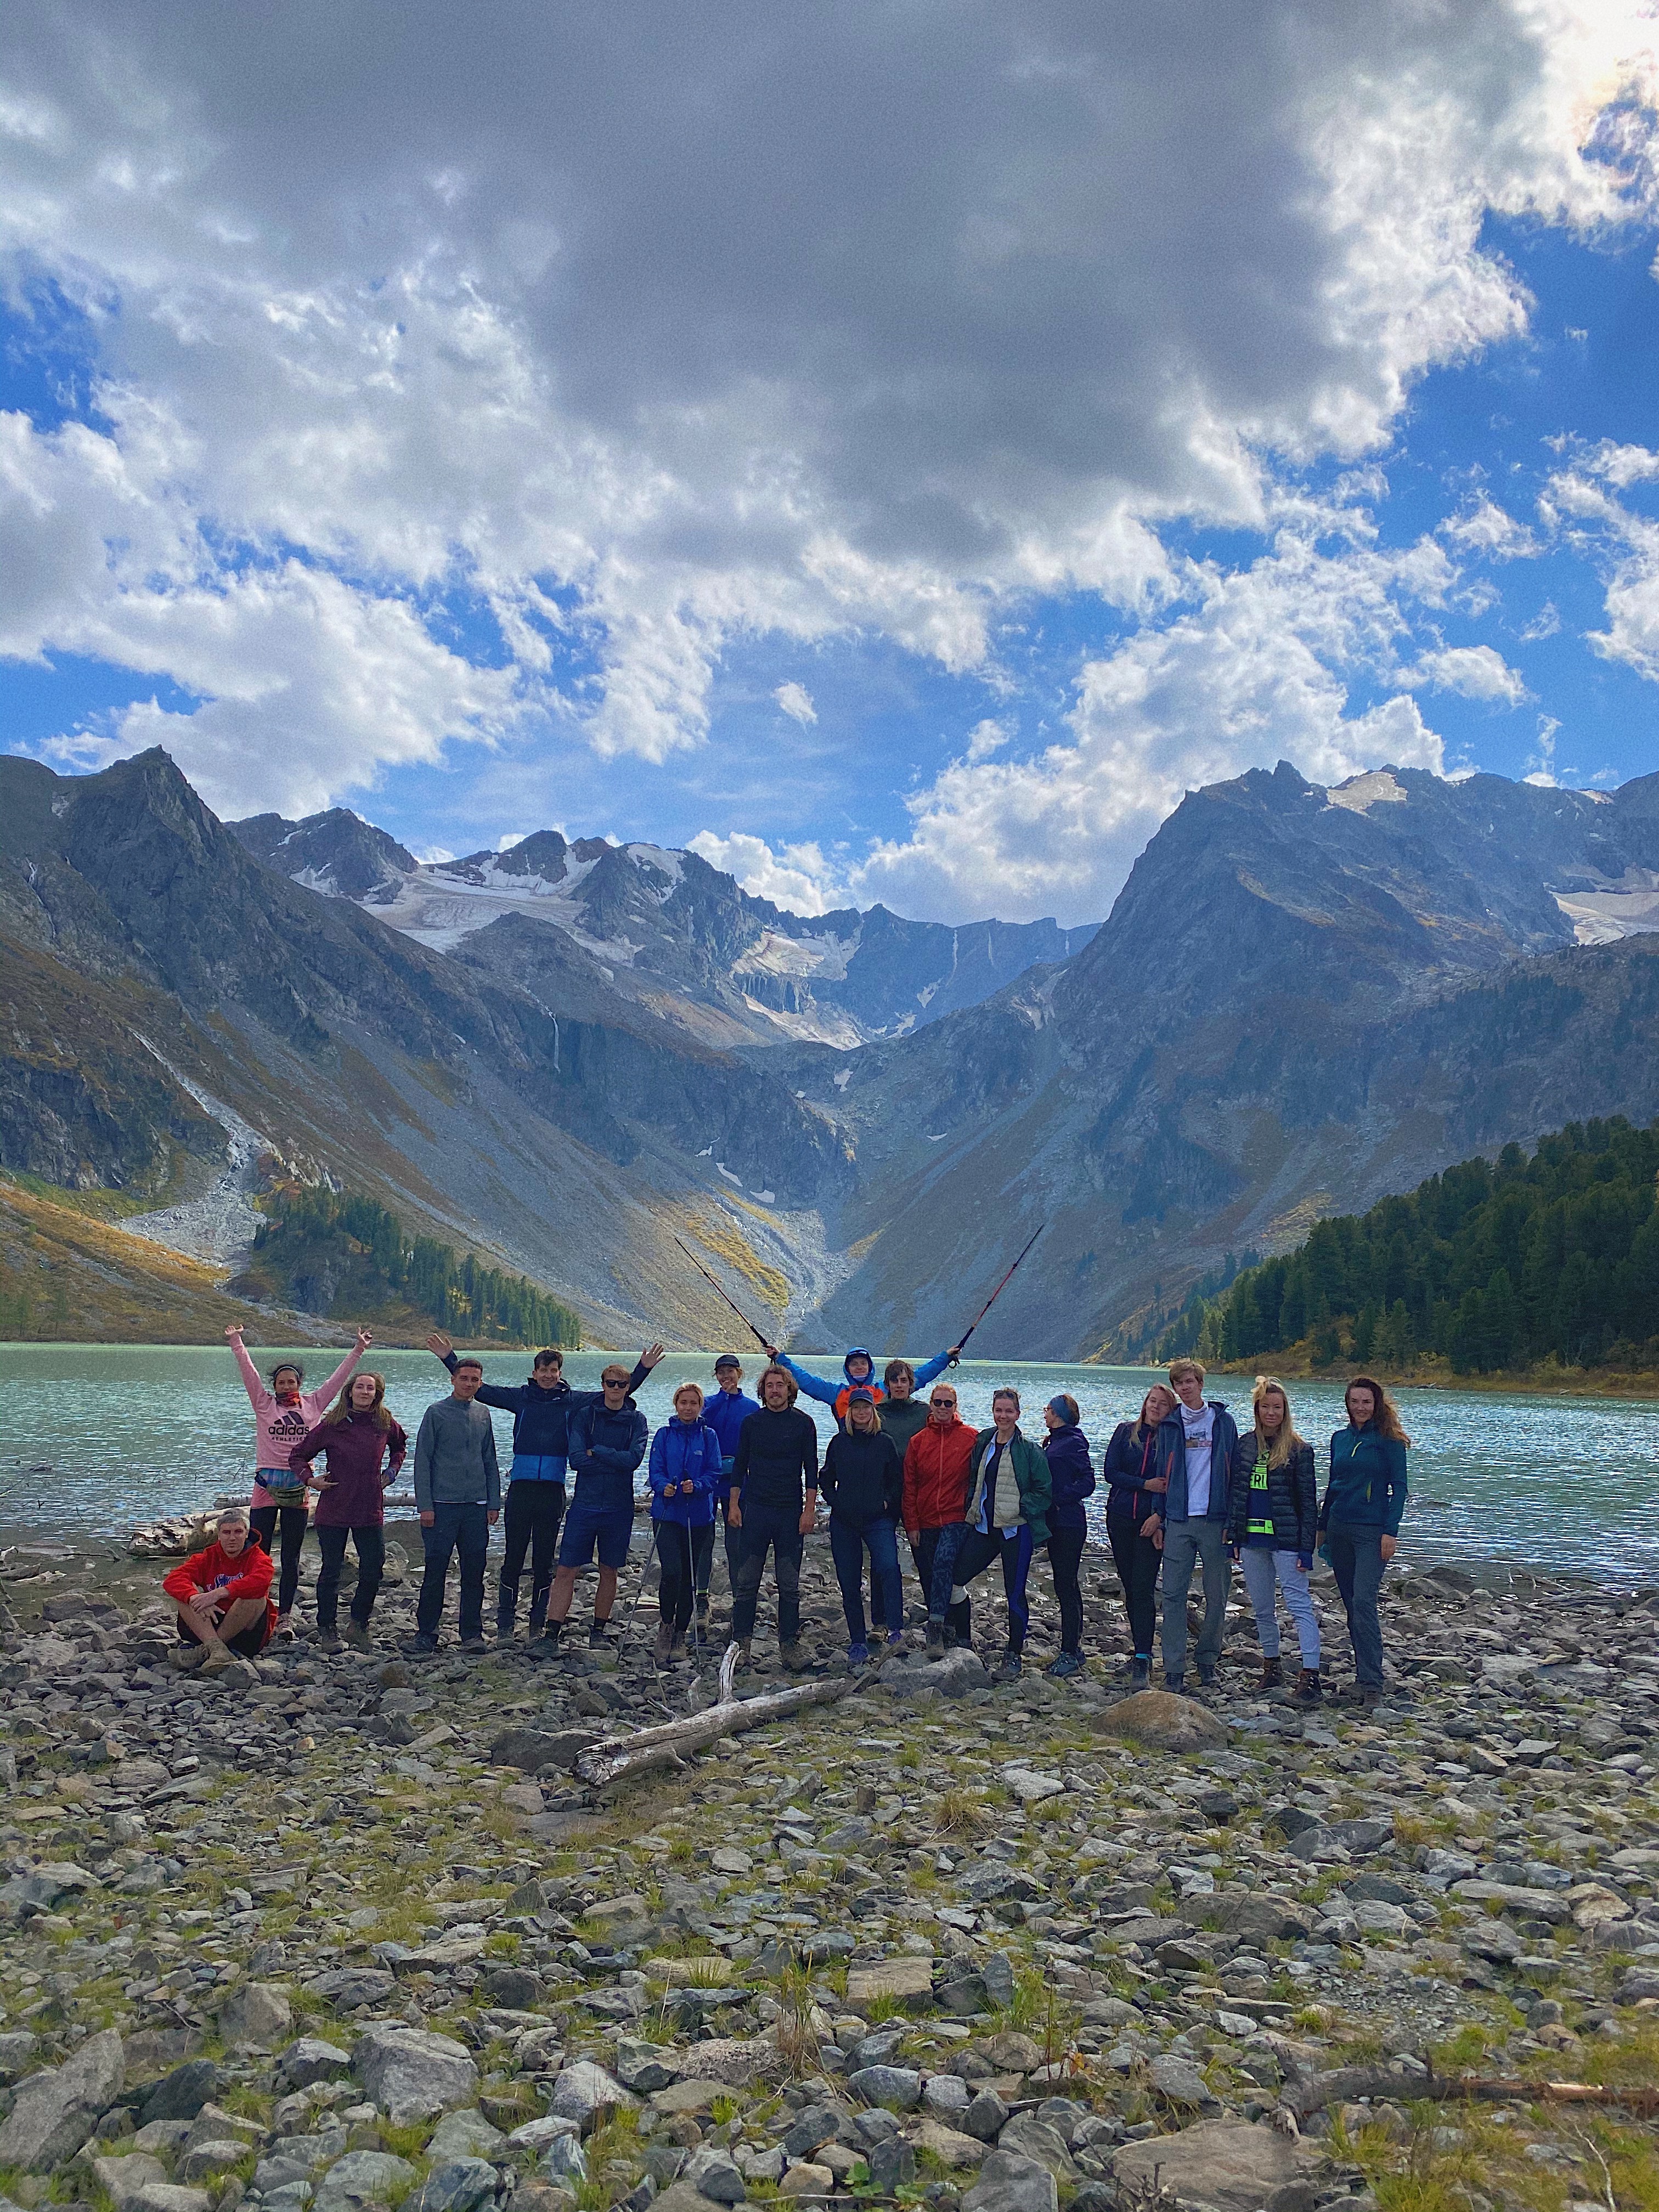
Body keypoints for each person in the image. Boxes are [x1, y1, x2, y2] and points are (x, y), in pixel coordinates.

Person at [426, 1334, 661, 1642]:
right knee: (513, 1556)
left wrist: (642, 1368)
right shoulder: (520, 1398)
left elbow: (616, 1392)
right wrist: (449, 1358)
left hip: (552, 1489)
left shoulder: (572, 1401)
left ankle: (538, 1623)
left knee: (544, 1560)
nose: (549, 1376)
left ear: (560, 1373)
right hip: (522, 1488)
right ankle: (506, 1624)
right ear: (535, 1372)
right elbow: (477, 1387)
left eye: (554, 1371)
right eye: (543, 1371)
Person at [226, 1323, 370, 1640]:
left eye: (292, 1381)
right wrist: (237, 1341)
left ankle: (287, 1615)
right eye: (281, 1382)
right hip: (265, 1486)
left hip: (299, 1487)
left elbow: (338, 1380)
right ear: (274, 1385)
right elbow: (248, 1373)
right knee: (258, 1553)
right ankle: (257, 1609)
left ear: (300, 1383)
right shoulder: (263, 1403)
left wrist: (358, 1348)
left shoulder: (315, 1404)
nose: (286, 1385)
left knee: (290, 1556)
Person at [926, 1386, 1051, 1677]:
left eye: (1009, 1411)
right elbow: (972, 1477)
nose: (1003, 1416)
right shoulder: (984, 1441)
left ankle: (1013, 1654)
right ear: (993, 1412)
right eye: (999, 1410)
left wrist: (1021, 1507)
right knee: (956, 1579)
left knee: (1015, 1593)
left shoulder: (1030, 1452)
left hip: (1014, 1532)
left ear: (1018, 1414)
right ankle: (964, 1639)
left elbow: (1044, 1492)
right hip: (983, 1527)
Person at [289, 1370, 407, 1653]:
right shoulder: (333, 1424)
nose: (365, 1392)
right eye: (360, 1387)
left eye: (371, 1388)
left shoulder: (385, 1422)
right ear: (350, 1391)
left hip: (369, 1506)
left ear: (377, 1393)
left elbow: (400, 1447)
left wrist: (392, 1471)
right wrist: (311, 1480)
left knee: (373, 1566)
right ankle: (327, 1629)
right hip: (335, 1506)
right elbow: (298, 1455)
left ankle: (359, 1623)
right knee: (332, 1569)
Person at [1142, 1358, 1239, 1695]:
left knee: (1217, 1595)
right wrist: (1159, 1517)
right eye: (1179, 1383)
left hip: (1215, 1520)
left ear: (1200, 1383)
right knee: (1172, 1596)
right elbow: (1160, 1473)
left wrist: (1234, 1523)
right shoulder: (1169, 1425)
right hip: (1178, 1520)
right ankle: (1174, 1668)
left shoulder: (1223, 1421)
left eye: (1190, 1382)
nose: (1185, 1388)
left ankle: (1208, 1661)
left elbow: (1236, 1475)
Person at [1226, 1376, 1321, 1703]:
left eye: (1277, 1407)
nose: (1271, 1412)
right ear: (1256, 1409)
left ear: (1285, 1411)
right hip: (1252, 1539)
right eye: (1265, 1407)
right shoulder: (1245, 1445)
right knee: (1263, 1608)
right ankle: (1272, 1665)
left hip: (1287, 1540)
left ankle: (1311, 1675)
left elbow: (1309, 1504)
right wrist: (1234, 1536)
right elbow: (1236, 1494)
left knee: (1298, 1605)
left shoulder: (1299, 1451)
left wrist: (1306, 1549)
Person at [1319, 1374, 1409, 1706]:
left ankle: (1373, 1682)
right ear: (1348, 1403)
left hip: (1372, 1532)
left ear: (1377, 1404)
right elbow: (1334, 1485)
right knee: (1350, 1603)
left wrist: (1391, 1531)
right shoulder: (1339, 1439)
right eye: (1355, 1401)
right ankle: (1361, 1676)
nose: (1360, 1407)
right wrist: (1321, 1526)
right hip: (1339, 1528)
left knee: (1363, 1602)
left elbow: (1399, 1488)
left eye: (1366, 1402)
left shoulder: (1390, 1442)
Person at [544, 1364, 649, 1647]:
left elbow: (634, 1462)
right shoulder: (585, 1416)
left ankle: (599, 1631)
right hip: (585, 1505)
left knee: (609, 1570)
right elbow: (576, 1460)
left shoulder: (637, 1420)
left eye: (622, 1384)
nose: (616, 1389)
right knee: (566, 1569)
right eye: (611, 1383)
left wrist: (599, 1451)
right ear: (602, 1385)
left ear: (628, 1387)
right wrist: (613, 1461)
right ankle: (552, 1632)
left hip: (619, 1507)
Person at [729, 1362, 819, 1669]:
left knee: (790, 1584)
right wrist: (734, 1505)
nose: (775, 1390)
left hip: (790, 1511)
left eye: (780, 1385)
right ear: (763, 1390)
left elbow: (811, 1470)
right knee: (746, 1581)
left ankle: (789, 1645)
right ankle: (741, 1644)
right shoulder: (752, 1422)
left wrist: (810, 1510)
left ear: (789, 1390)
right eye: (770, 1386)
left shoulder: (803, 1423)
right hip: (755, 1509)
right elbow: (739, 1466)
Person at [410, 1357, 501, 1655]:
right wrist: (425, 1505)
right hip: (441, 1505)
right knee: (435, 1570)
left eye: (475, 1380)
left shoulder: (483, 1413)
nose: (469, 1384)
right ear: (453, 1379)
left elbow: (490, 1460)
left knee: (474, 1572)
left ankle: (471, 1634)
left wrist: (493, 1500)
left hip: (475, 1506)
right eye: (464, 1378)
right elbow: (422, 1461)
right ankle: (427, 1633)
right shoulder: (436, 1413)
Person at [820, 1387, 905, 1667]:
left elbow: (897, 1481)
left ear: (873, 1411)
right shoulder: (839, 1442)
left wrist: (887, 1504)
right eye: (856, 1408)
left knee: (889, 1568)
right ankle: (857, 1640)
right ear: (849, 1412)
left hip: (877, 1521)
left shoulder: (885, 1442)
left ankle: (895, 1629)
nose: (861, 1413)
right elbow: (825, 1477)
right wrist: (835, 1502)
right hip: (844, 1522)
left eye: (866, 1408)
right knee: (849, 1581)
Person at [1101, 1384, 1173, 1688]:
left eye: (1163, 1404)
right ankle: (1139, 1653)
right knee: (1130, 1587)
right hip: (1119, 1518)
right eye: (1152, 1401)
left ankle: (1144, 1657)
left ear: (1171, 1411)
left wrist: (1160, 1519)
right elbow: (1110, 1473)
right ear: (1145, 1404)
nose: (1155, 1407)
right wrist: (1145, 1485)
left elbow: (1175, 1485)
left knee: (1143, 1588)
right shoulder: (1124, 1432)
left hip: (1150, 1524)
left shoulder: (1172, 1441)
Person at [648, 1383, 723, 1663]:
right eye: (684, 1403)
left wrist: (700, 1486)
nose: (688, 1408)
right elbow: (654, 1468)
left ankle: (680, 1633)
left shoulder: (709, 1436)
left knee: (689, 1578)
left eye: (693, 1403)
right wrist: (662, 1485)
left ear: (700, 1407)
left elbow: (715, 1471)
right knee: (672, 1572)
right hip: (668, 1513)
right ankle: (665, 1626)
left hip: (698, 1515)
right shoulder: (664, 1435)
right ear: (676, 1405)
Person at [902, 1378, 977, 1646]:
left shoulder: (971, 1438)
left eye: (948, 1403)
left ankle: (935, 1627)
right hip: (926, 1519)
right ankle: (954, 1632)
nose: (943, 1407)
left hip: (956, 1517)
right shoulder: (918, 1442)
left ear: (956, 1406)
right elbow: (910, 1486)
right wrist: (912, 1524)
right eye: (938, 1402)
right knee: (932, 1575)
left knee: (945, 1563)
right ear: (930, 1405)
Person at [162, 1504, 276, 1674]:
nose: (232, 1538)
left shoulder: (259, 1558)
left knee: (256, 1596)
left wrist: (216, 1594)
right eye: (226, 1533)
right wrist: (194, 1597)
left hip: (245, 1632)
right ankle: (217, 1650)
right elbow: (173, 1579)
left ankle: (207, 1650)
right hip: (209, 1624)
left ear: (246, 1534)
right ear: (219, 1535)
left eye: (238, 1532)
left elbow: (262, 1580)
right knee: (185, 1594)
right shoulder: (208, 1557)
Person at [766, 1341, 961, 1427]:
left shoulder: (885, 1388)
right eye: (854, 1364)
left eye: (863, 1363)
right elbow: (806, 1380)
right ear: (847, 1369)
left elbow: (919, 1376)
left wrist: (945, 1358)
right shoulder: (836, 1393)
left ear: (870, 1367)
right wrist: (781, 1359)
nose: (859, 1367)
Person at [699, 1355, 761, 1627]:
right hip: (709, 1479)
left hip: (740, 1480)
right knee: (704, 1538)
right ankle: (701, 1598)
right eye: (721, 1373)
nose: (726, 1377)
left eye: (731, 1372)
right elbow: (698, 1425)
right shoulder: (707, 1404)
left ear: (739, 1374)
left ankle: (740, 1598)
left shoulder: (750, 1406)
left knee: (736, 1541)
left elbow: (755, 1445)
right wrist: (720, 1400)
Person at [1041, 1394, 1095, 1679]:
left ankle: (1070, 1650)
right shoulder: (1055, 1438)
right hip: (1056, 1522)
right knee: (1065, 1584)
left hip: (1069, 1523)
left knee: (1066, 1584)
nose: (1045, 1413)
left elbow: (1088, 1481)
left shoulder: (1072, 1441)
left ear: (1060, 1414)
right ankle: (1073, 1648)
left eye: (1049, 1410)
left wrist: (1058, 1499)